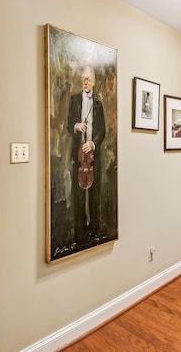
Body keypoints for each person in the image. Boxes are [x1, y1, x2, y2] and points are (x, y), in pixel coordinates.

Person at [67, 65, 106, 242]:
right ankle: (80, 232)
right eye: (84, 78)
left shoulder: (98, 104)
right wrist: (76, 126)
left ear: (94, 81)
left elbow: (102, 131)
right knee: (78, 193)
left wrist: (93, 143)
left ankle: (94, 228)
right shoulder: (74, 99)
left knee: (94, 192)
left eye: (89, 79)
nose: (86, 82)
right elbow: (69, 124)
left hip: (92, 156)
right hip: (78, 154)